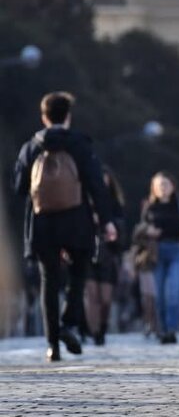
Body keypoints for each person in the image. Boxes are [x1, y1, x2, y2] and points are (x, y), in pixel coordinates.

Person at [12, 91, 117, 362]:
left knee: (49, 281)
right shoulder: (80, 144)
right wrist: (107, 222)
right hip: (76, 220)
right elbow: (96, 185)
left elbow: (20, 188)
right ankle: (69, 324)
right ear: (68, 117)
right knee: (78, 275)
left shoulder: (31, 146)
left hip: (42, 222)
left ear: (44, 117)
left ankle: (52, 345)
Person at [138, 171, 179, 344]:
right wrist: (147, 231)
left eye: (166, 184)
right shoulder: (150, 206)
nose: (163, 188)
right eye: (159, 185)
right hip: (156, 253)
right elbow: (139, 229)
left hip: (177, 251)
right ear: (154, 189)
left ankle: (171, 329)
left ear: (173, 186)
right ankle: (162, 329)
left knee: (173, 292)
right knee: (160, 295)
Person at [85, 166, 126, 346]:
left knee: (106, 299)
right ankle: (94, 333)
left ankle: (102, 326)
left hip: (108, 253)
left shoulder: (114, 203)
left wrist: (111, 226)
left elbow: (122, 228)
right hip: (87, 252)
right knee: (92, 296)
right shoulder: (84, 201)